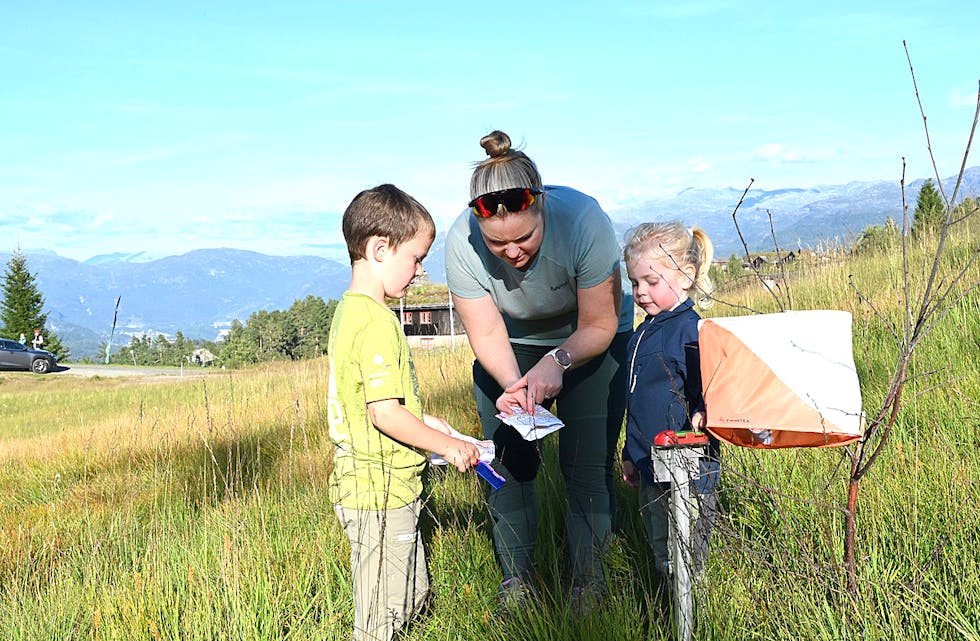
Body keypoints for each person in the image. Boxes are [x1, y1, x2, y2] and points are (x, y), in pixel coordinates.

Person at [445, 131, 633, 610]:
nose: (512, 252)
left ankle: (591, 586)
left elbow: (599, 323)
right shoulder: (461, 243)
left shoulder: (585, 221)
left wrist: (557, 363)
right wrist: (515, 386)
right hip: (512, 346)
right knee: (505, 466)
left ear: (542, 207)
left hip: (589, 341)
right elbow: (487, 334)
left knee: (585, 465)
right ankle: (518, 584)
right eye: (497, 243)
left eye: (525, 237)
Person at [328, 184, 481, 641]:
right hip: (379, 494)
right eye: (415, 259)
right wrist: (450, 445)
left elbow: (379, 403)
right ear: (380, 248)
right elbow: (384, 415)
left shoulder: (350, 313)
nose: (419, 272)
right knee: (381, 618)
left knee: (412, 594)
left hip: (386, 489)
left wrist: (427, 423)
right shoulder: (376, 322)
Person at [620, 221, 720, 586]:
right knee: (661, 550)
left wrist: (703, 412)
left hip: (688, 470)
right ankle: (672, 610)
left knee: (687, 556)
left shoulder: (692, 331)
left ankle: (692, 619)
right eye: (634, 283)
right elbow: (637, 402)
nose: (641, 292)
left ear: (684, 276)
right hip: (650, 467)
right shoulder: (642, 333)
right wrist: (630, 455)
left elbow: (707, 392)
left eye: (651, 281)